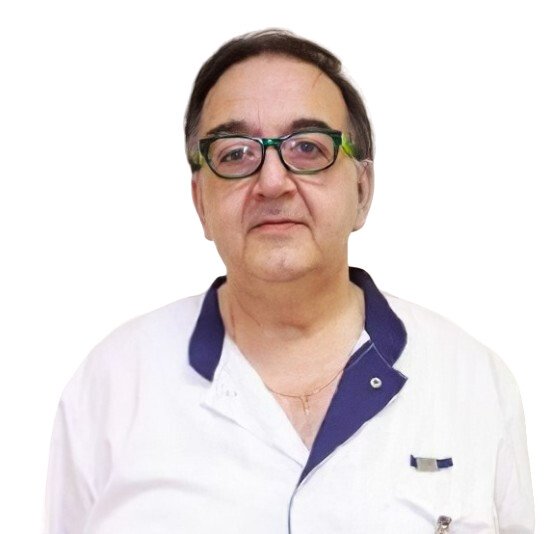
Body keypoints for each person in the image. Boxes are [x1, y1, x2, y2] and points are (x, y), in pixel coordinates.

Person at [45, 29, 534, 533]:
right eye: (235, 153)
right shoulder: (110, 387)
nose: (273, 182)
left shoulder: (473, 383)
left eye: (307, 147)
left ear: (362, 190)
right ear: (200, 202)